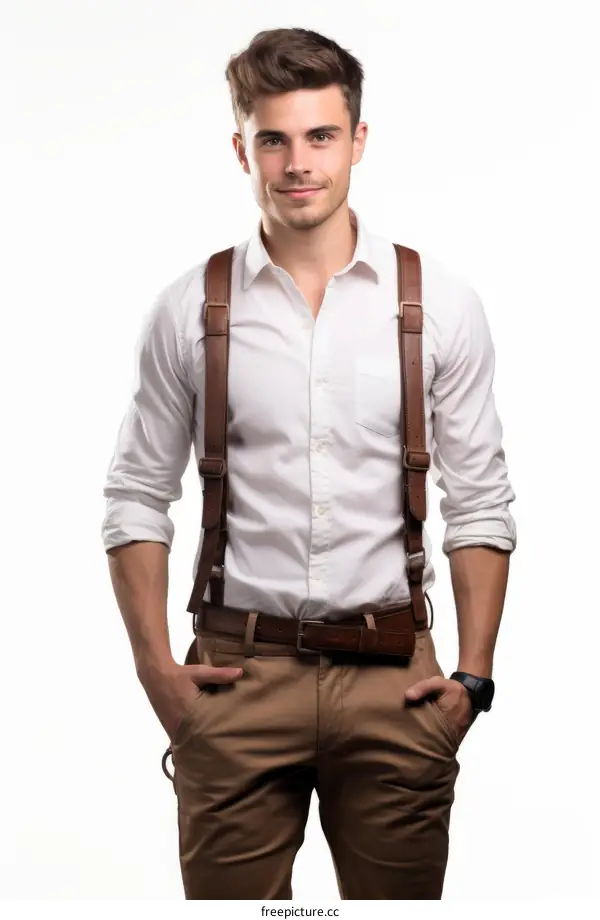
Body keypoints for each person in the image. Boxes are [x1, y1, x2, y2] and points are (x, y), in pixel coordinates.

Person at [101, 27, 516, 901]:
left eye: (321, 136)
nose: (298, 163)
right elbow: (138, 495)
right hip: (237, 678)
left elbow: (478, 499)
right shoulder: (189, 309)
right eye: (274, 139)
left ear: (358, 141)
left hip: (396, 683)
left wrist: (471, 680)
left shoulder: (437, 304)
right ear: (241, 148)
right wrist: (157, 674)